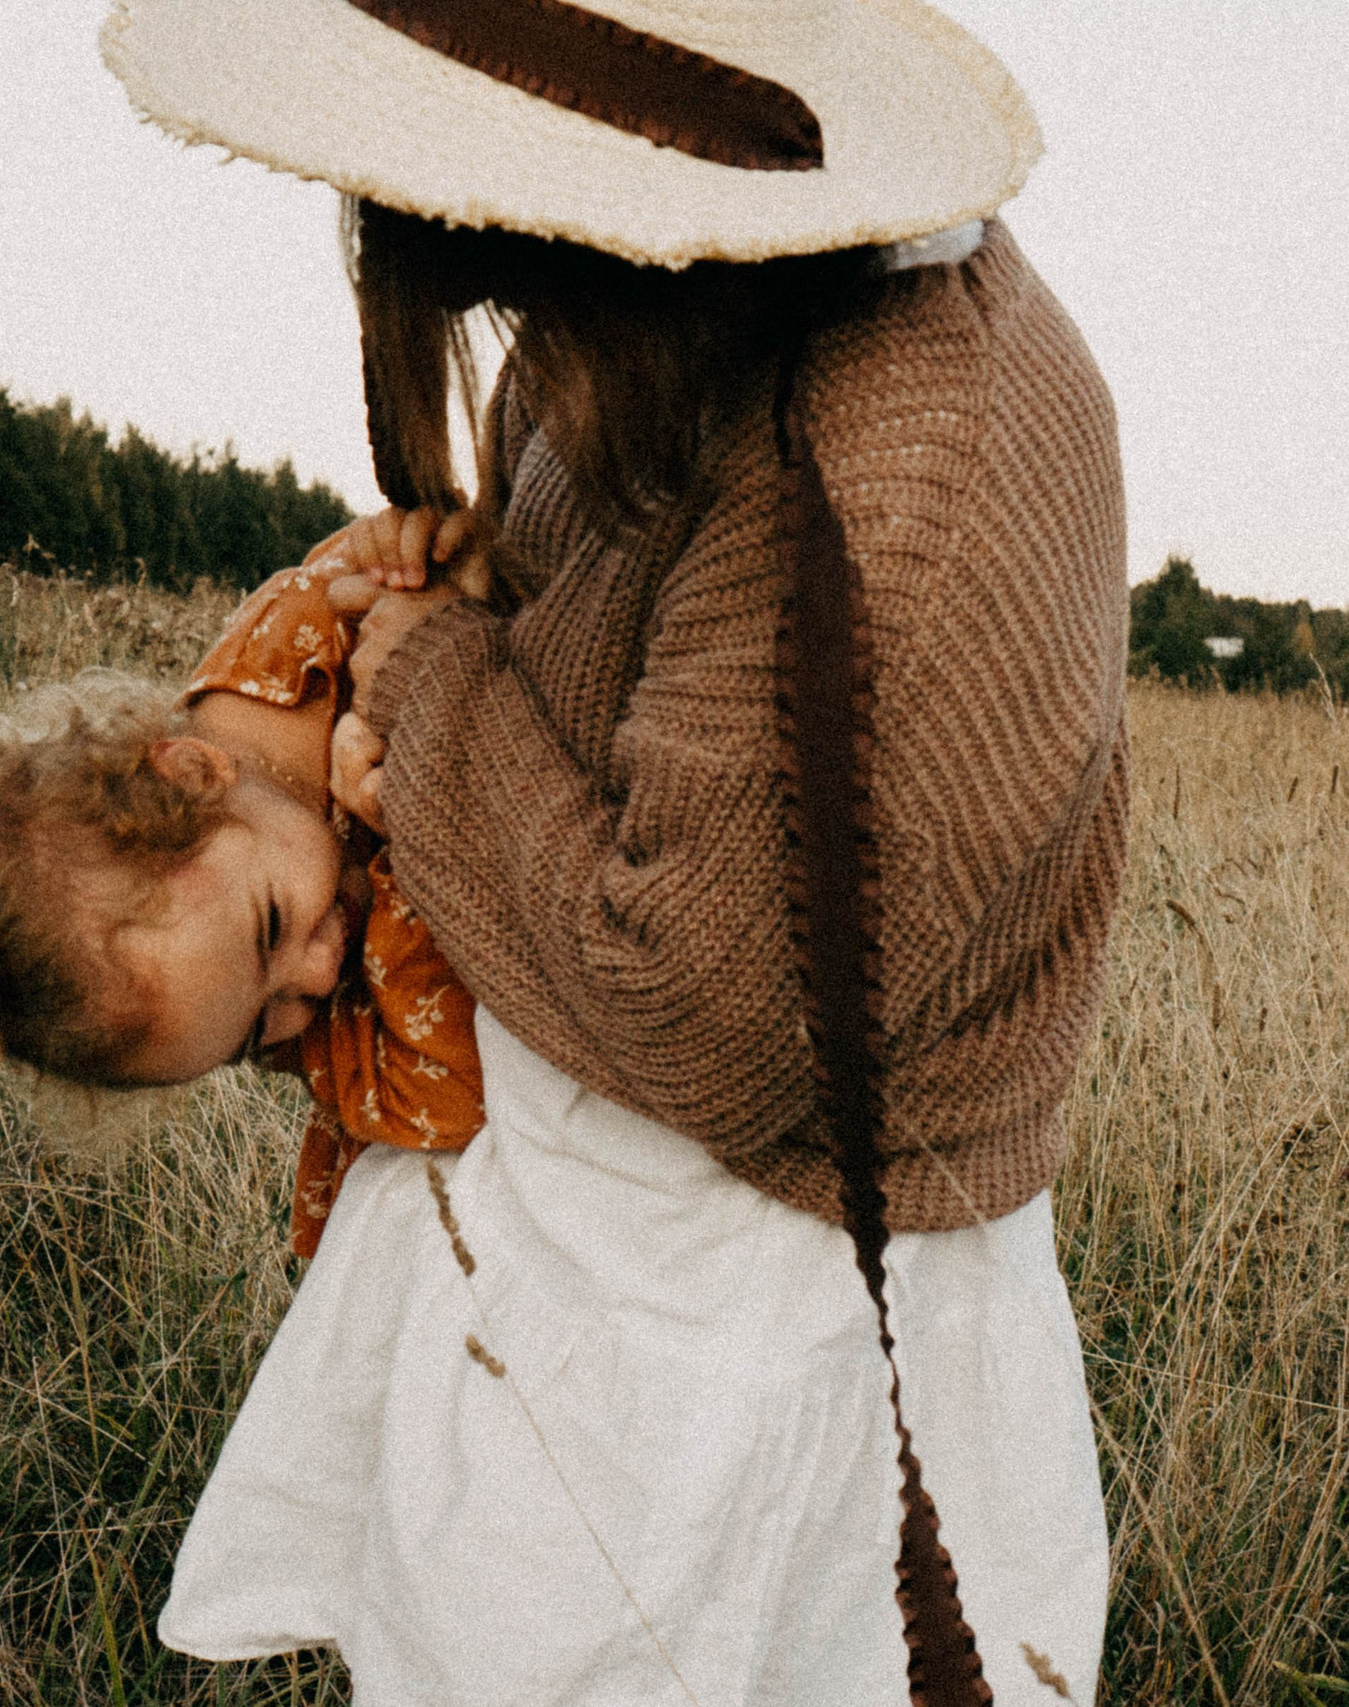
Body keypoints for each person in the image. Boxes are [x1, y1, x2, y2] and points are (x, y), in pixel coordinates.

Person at [103, 0, 1129, 1700]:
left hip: (750, 1319)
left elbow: (710, 1012)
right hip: (588, 1245)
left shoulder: (900, 487)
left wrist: (426, 684)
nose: (499, 302)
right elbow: (557, 639)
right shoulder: (661, 302)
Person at [0, 549, 486, 1260]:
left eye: (271, 927)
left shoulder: (299, 635)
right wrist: (414, 816)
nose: (322, 975)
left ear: (194, 774)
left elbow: (470, 566)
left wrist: (422, 553)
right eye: (258, 1032)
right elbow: (460, 1094)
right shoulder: (298, 1021)